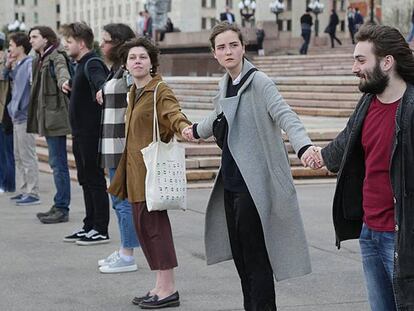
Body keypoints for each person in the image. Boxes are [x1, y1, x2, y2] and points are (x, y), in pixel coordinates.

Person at [182, 22, 318, 311]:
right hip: (231, 183)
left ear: (243, 48)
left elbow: (286, 115)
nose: (228, 51)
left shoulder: (260, 82)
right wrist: (195, 130)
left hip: (254, 187)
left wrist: (304, 146)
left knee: (256, 260)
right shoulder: (225, 84)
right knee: (242, 259)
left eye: (233, 45)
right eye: (221, 47)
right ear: (214, 54)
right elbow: (218, 115)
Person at [312, 24, 414, 311]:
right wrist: (320, 155)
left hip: (402, 236)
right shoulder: (367, 102)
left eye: (360, 60)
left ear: (387, 62)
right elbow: (347, 139)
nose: (354, 68)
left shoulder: (412, 107)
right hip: (369, 231)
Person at [108, 37, 191, 309]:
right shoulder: (134, 92)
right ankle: (159, 285)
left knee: (156, 230)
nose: (137, 61)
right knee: (144, 230)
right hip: (134, 174)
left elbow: (173, 114)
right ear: (126, 65)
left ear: (152, 63)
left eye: (142, 57)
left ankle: (168, 289)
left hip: (152, 173)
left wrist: (185, 128)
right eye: (132, 58)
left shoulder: (159, 90)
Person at [95, 23, 141, 273]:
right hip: (111, 143)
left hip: (122, 144)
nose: (101, 45)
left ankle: (127, 254)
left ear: (119, 42)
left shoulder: (127, 70)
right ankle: (125, 248)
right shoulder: (116, 69)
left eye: (106, 41)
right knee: (117, 200)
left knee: (122, 201)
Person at [60, 22, 110, 245]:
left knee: (94, 179)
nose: (66, 45)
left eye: (69, 42)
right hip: (80, 133)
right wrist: (70, 87)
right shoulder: (80, 64)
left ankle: (100, 228)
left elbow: (102, 84)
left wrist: (102, 89)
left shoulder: (93, 63)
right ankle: (89, 225)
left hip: (90, 133)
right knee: (85, 179)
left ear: (81, 44)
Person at [27, 26, 72, 224]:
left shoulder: (56, 56)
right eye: (30, 37)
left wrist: (64, 82)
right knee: (56, 163)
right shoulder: (39, 59)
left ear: (46, 39)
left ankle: (62, 207)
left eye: (35, 37)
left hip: (55, 118)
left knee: (58, 164)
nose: (31, 40)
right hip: (47, 117)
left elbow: (62, 71)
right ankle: (59, 204)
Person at [6, 32, 41, 206]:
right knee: (18, 156)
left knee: (28, 156)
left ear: (20, 46)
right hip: (16, 116)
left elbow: (34, 88)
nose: (9, 49)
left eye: (11, 45)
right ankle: (24, 189)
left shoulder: (28, 65)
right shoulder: (16, 65)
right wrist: (8, 67)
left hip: (25, 117)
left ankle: (33, 192)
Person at [0, 32, 16, 195]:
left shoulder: (7, 59)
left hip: (5, 113)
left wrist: (6, 66)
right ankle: (2, 182)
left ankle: (8, 184)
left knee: (6, 152)